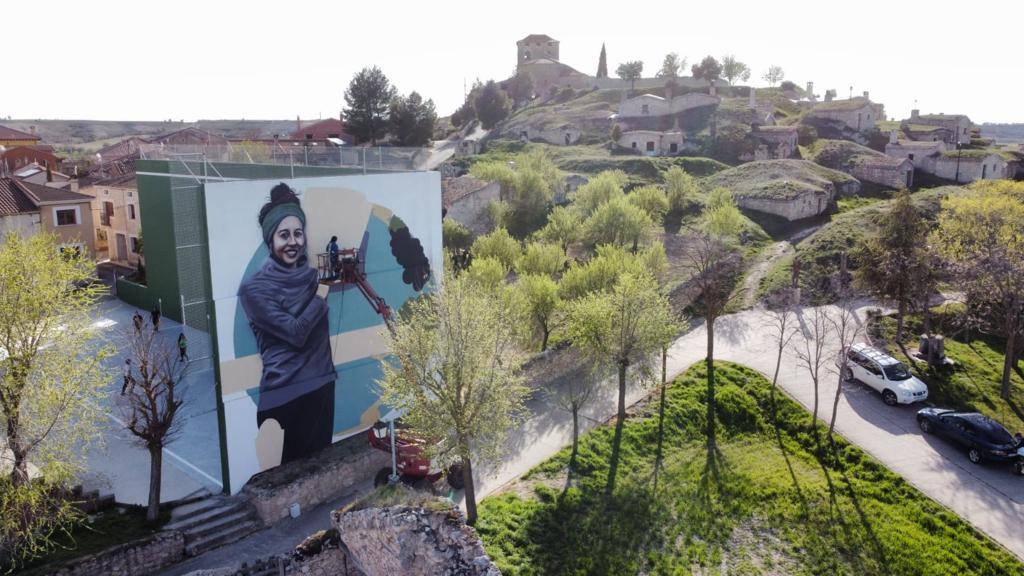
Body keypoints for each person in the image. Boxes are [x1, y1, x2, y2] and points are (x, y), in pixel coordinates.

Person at [238, 183, 336, 466]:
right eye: (283, 235)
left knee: (320, 468)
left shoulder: (312, 276)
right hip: (284, 399)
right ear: (270, 241)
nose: (292, 242)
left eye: (297, 233)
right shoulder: (255, 289)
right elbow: (296, 333)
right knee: (289, 474)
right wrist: (321, 293)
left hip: (321, 389)